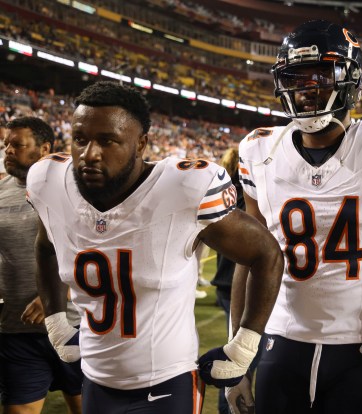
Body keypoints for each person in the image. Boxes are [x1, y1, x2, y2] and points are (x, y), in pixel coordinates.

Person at [27, 81, 284, 413]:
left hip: (167, 382)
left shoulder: (182, 189)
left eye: (107, 141)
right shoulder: (49, 183)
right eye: (80, 139)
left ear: (141, 144)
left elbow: (266, 254)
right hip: (95, 379)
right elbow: (45, 246)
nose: (90, 154)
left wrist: (245, 346)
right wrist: (57, 323)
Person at [226, 20, 362, 414]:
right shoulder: (258, 150)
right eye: (296, 77)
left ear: (350, 79)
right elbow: (248, 263)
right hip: (281, 339)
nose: (307, 88)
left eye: (321, 75)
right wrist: (239, 358)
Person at [0, 117, 83, 414]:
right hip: (17, 329)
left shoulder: (76, 189)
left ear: (44, 148)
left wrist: (61, 293)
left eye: (17, 145)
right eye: (6, 144)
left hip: (76, 324)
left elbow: (101, 252)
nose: (8, 150)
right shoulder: (0, 190)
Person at [211, 146, 246, 414]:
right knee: (240, 360)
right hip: (241, 282)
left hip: (225, 279)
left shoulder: (221, 192)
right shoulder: (245, 192)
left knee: (238, 357)